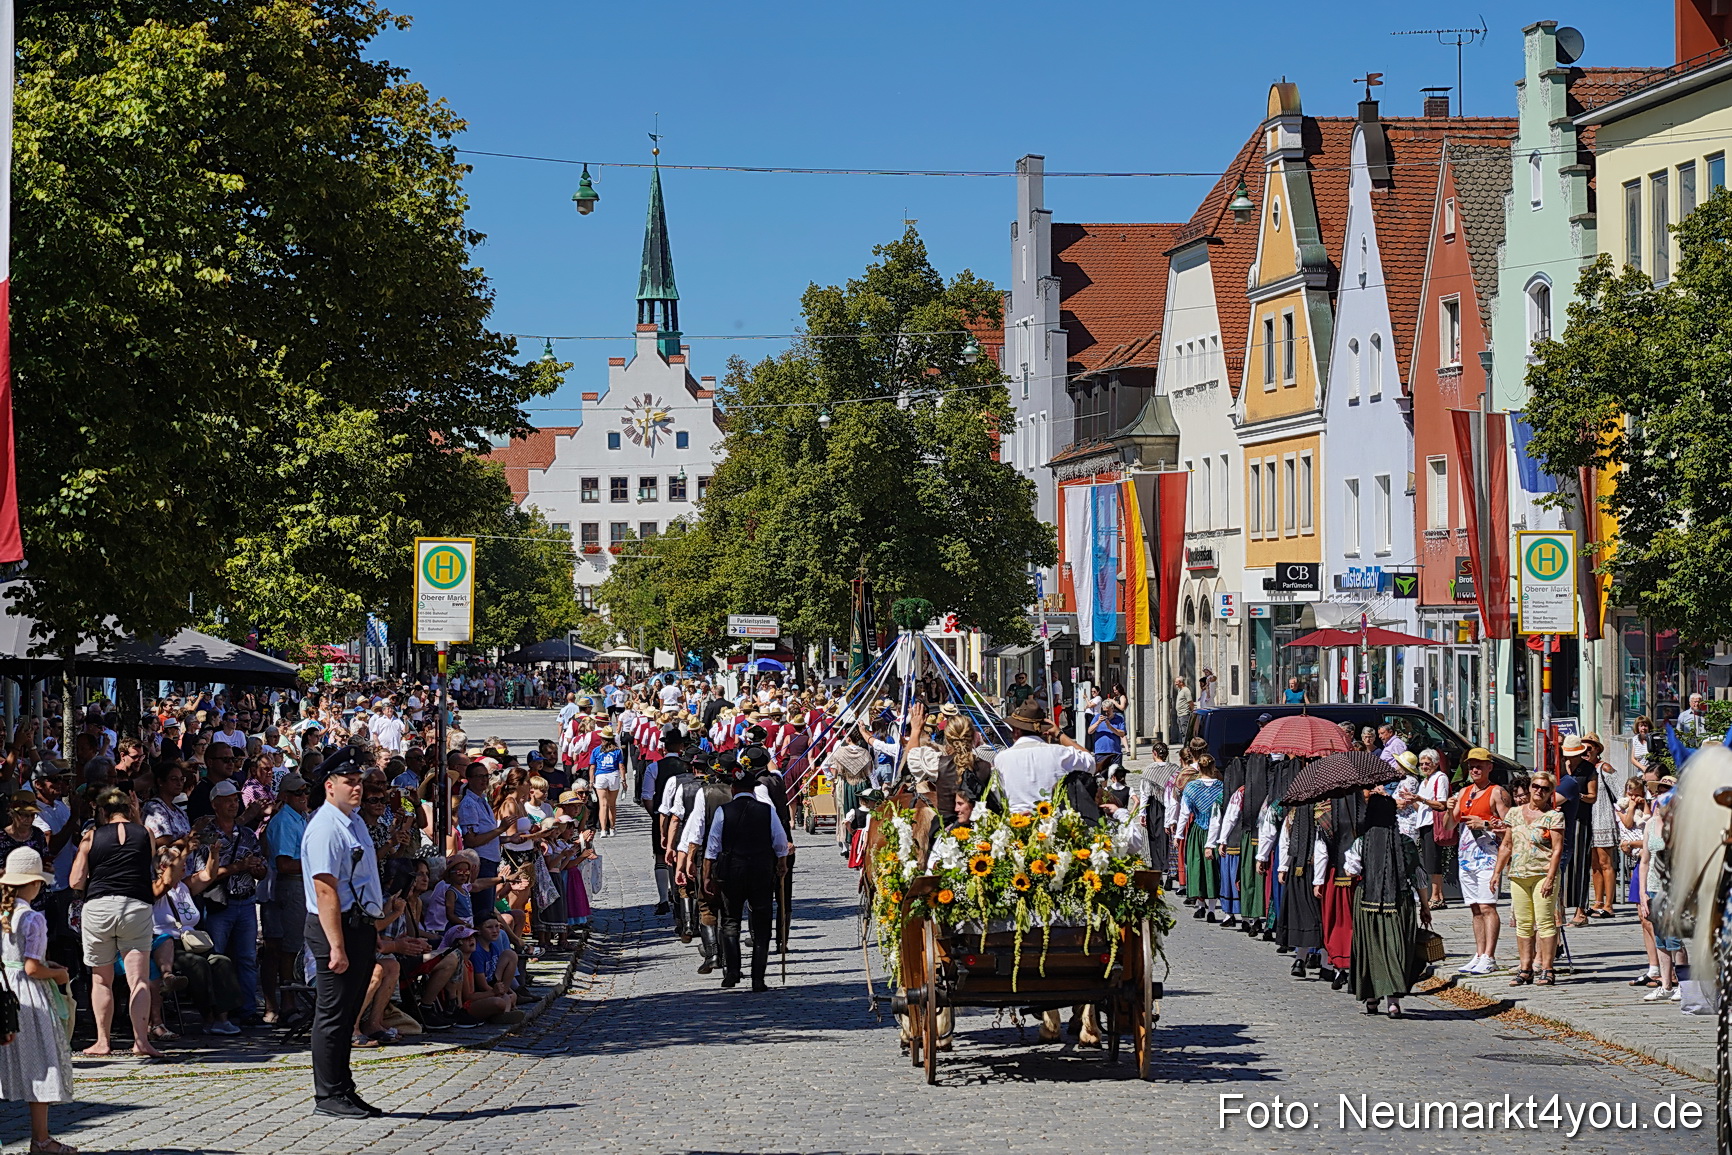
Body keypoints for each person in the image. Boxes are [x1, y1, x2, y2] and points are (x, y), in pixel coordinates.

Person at [302, 761, 386, 1119]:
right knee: (333, 1015)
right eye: (349, 782)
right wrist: (337, 945)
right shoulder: (325, 828)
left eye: (359, 782)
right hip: (335, 928)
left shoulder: (352, 821)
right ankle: (328, 1094)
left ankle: (344, 1088)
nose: (357, 788)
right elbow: (325, 890)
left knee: (349, 1011)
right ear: (329, 786)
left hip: (358, 924)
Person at [69, 787, 169, 1059]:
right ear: (128, 808)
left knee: (102, 979)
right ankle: (141, 1042)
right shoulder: (145, 834)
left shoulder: (91, 837)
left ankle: (103, 1042)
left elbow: (75, 881)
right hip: (135, 906)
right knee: (139, 979)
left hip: (99, 907)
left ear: (102, 811)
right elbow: (144, 859)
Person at [0, 847, 75, 1155]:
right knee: (40, 1061)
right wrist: (58, 976)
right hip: (27, 997)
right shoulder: (32, 919)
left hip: (3, 989)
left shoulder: (3, 913)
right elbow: (32, 968)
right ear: (33, 884)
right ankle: (41, 1139)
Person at [702, 759, 790, 991]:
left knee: (730, 922)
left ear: (733, 789)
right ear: (753, 790)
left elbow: (713, 846)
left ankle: (732, 972)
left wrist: (707, 875)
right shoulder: (766, 811)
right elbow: (780, 842)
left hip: (732, 870)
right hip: (761, 870)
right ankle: (758, 978)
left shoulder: (724, 811)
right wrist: (781, 864)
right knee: (761, 924)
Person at [1347, 791, 1430, 1017]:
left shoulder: (1361, 842)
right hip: (1399, 902)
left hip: (1367, 904)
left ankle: (1372, 998)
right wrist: (1425, 905)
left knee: (1371, 949)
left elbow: (1351, 870)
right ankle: (1393, 1002)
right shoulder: (1405, 843)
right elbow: (1419, 876)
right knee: (1396, 949)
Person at [1493, 770, 1564, 987]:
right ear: (1531, 787)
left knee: (1544, 921)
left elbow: (1557, 849)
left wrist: (1551, 878)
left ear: (1550, 792)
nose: (1539, 791)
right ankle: (1525, 968)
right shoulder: (1514, 813)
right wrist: (1497, 872)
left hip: (1543, 873)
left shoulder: (1554, 817)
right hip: (1518, 874)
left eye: (1545, 788)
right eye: (1536, 786)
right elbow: (1507, 845)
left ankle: (1547, 968)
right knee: (1523, 923)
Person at [1451, 749, 1509, 976]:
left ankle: (1489, 956)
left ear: (1489, 767)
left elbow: (1510, 827)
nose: (1475, 769)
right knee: (1475, 908)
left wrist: (1485, 824)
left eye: (1480, 766)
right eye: (1472, 766)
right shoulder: (1464, 792)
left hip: (1488, 856)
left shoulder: (1497, 792)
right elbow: (1449, 824)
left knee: (1487, 906)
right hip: (1466, 856)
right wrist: (1448, 809)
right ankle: (1479, 953)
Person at [989, 703, 1095, 816]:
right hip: (1054, 825)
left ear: (1016, 731)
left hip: (1016, 825)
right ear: (1043, 730)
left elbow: (998, 796)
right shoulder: (1060, 753)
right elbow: (1090, 761)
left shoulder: (1001, 759)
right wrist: (1059, 734)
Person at [1554, 736, 1598, 929]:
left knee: (1579, 864)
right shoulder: (1561, 766)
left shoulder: (1589, 770)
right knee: (1561, 863)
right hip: (1561, 819)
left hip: (1580, 819)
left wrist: (1576, 796)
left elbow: (1592, 797)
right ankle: (1560, 908)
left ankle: (1581, 910)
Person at [1172, 676, 1194, 743]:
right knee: (1182, 732)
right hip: (1180, 715)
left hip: (1184, 715)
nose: (1175, 684)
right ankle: (1185, 747)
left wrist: (1192, 711)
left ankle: (1187, 748)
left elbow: (1190, 702)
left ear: (1181, 683)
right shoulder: (1180, 690)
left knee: (1185, 732)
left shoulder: (1186, 690)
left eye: (1176, 682)